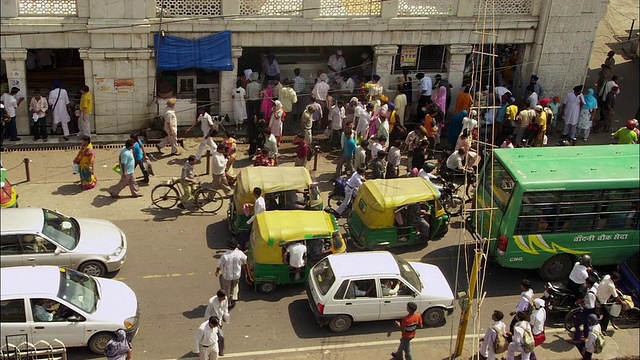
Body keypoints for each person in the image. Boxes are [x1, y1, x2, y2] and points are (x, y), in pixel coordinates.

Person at [216, 238, 247, 308]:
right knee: (235, 286)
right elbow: (245, 259)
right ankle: (234, 297)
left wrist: (217, 271)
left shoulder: (225, 255)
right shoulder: (239, 253)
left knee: (226, 288)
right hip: (236, 275)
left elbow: (219, 265)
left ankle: (227, 301)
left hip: (227, 276)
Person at [572, 276, 598, 343]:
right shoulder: (592, 289)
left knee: (577, 321)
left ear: (588, 284)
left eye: (586, 283)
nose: (585, 284)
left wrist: (583, 303)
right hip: (589, 310)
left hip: (589, 310)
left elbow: (591, 306)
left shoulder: (590, 294)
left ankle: (577, 338)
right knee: (586, 323)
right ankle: (586, 336)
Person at [204, 290, 229, 357]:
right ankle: (220, 351)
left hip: (220, 321)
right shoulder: (212, 302)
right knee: (220, 336)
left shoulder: (225, 299)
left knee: (217, 336)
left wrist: (226, 315)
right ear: (219, 297)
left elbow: (225, 307)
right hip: (213, 322)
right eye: (223, 298)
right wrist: (208, 324)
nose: (224, 299)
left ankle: (217, 350)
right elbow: (207, 313)